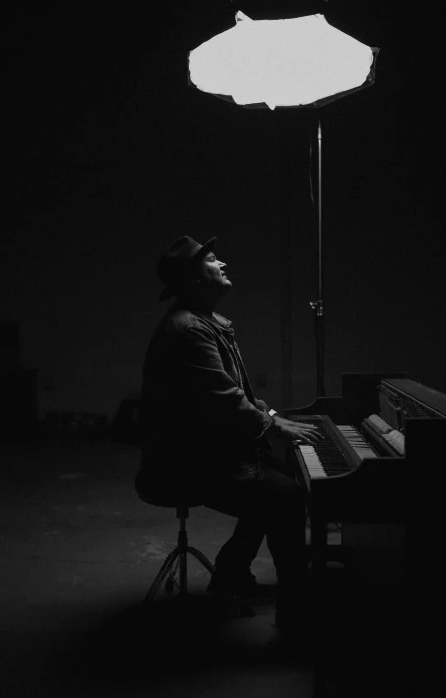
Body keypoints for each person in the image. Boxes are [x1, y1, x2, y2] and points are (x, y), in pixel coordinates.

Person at [135, 235, 322, 630]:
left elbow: (238, 393)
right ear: (192, 281)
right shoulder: (189, 330)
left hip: (207, 448)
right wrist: (273, 426)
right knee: (285, 498)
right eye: (213, 261)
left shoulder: (207, 323)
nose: (223, 266)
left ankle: (231, 575)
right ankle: (296, 615)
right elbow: (221, 399)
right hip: (184, 461)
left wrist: (272, 416)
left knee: (282, 476)